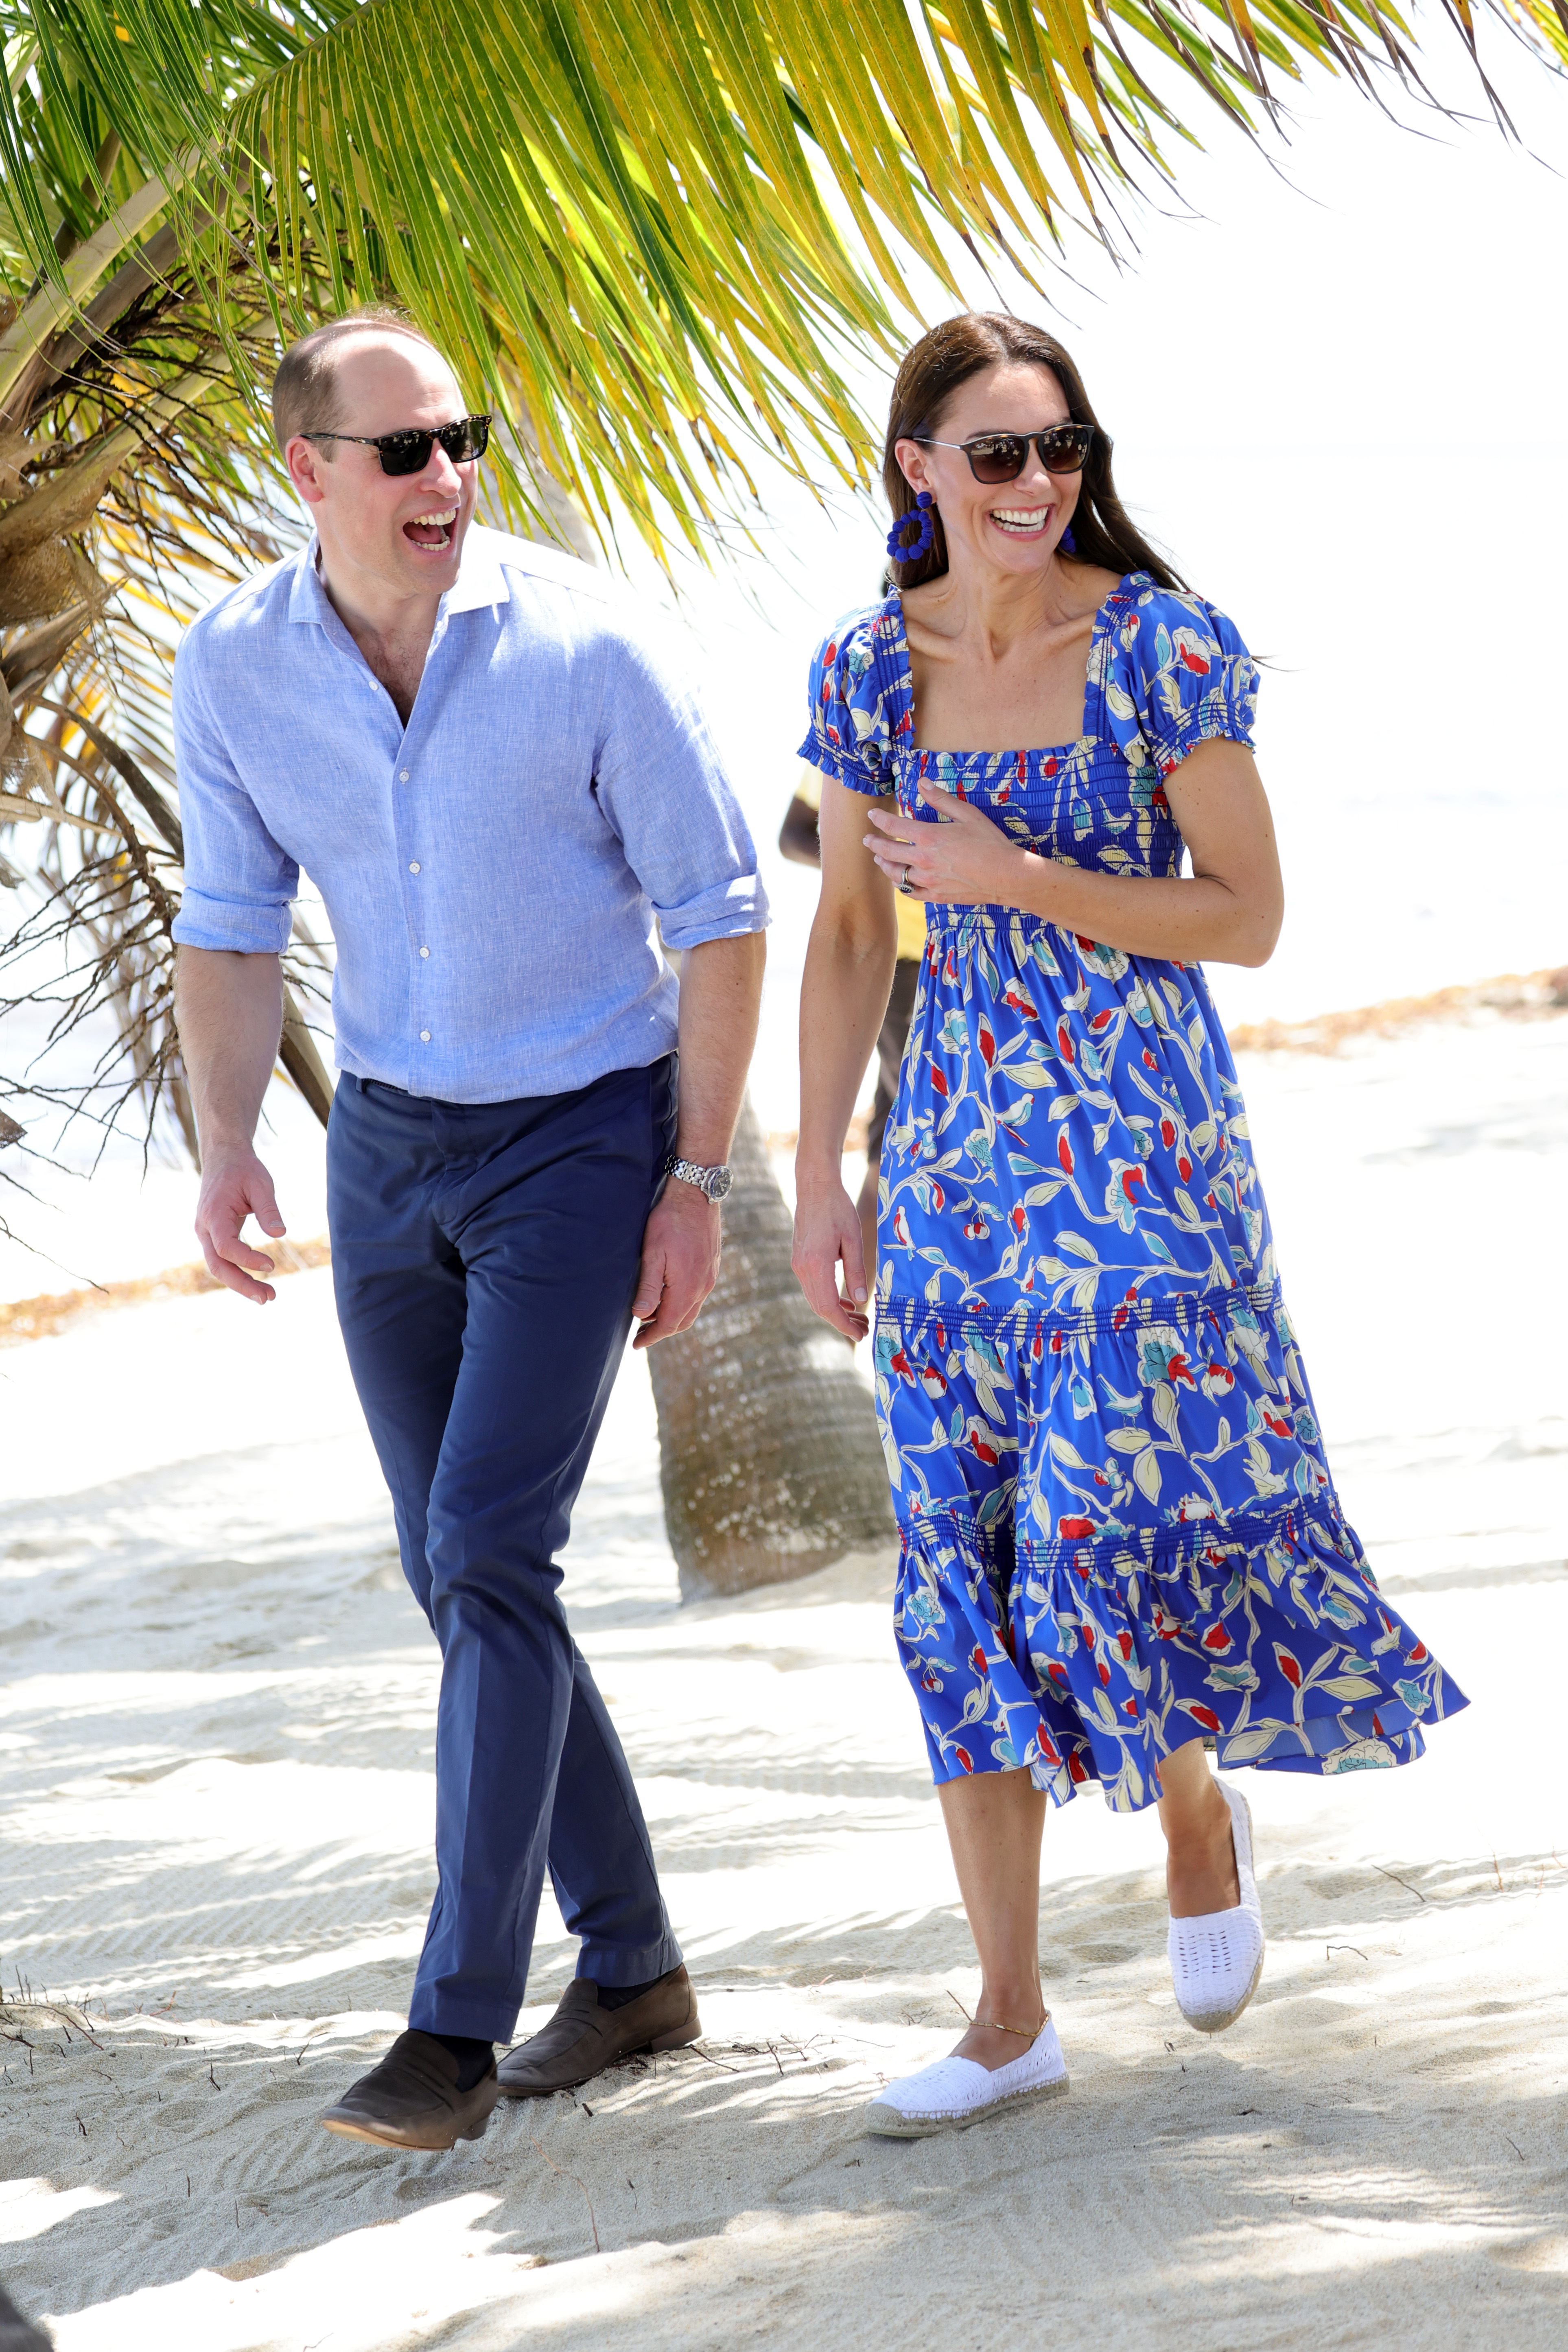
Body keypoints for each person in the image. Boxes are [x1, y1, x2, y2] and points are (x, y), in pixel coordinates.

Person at [792, 312, 1465, 2139]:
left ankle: (1188, 1808)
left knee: (1096, 1526)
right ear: (917, 466)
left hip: (1145, 1159)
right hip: (946, 1171)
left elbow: (1244, 914)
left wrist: (1019, 878)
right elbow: (852, 934)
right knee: (965, 1564)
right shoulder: (864, 669)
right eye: (997, 454)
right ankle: (1007, 2010)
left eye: (1063, 450)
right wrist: (813, 1178)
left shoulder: (1161, 649)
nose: (1037, 485)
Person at [173, 308, 767, 2153]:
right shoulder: (236, 662)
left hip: (581, 1140)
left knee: (493, 1551)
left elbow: (725, 907)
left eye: (461, 440)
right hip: (387, 1152)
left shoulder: (586, 642)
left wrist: (692, 1177)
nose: (447, 477)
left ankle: (453, 2025)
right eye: (405, 450)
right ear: (309, 473)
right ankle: (639, 1961)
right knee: (465, 1576)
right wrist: (223, 1143)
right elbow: (231, 912)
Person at [779, 767, 924, 1279]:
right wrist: (874, 868)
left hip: (961, 962)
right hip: (903, 967)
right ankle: (849, 1317)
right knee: (892, 1158)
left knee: (888, 1154)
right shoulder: (856, 732)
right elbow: (793, 834)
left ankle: (850, 1318)